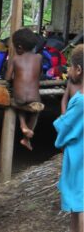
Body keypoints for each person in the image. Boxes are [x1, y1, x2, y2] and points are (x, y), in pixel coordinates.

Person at [53, 44, 83, 232]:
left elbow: (65, 127)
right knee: (77, 204)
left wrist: (60, 121)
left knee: (80, 204)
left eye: (70, 66)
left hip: (80, 159)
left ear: (79, 70)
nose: (69, 70)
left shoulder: (80, 101)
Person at [5, 28, 43, 151]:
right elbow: (39, 74)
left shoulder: (15, 58)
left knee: (17, 102)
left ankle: (22, 124)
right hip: (34, 99)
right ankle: (26, 137)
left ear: (19, 47)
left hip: (19, 99)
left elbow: (8, 78)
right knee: (35, 110)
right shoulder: (39, 57)